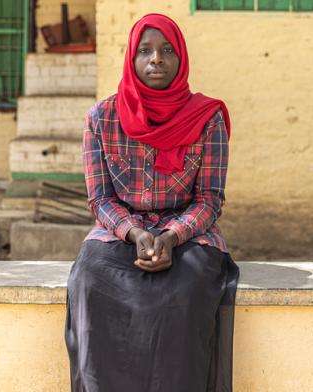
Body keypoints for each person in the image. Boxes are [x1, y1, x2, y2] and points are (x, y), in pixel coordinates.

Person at [65, 13, 239, 392]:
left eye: (166, 51)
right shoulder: (101, 118)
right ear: (131, 58)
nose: (156, 59)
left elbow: (209, 199)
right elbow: (100, 199)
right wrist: (136, 233)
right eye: (145, 50)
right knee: (90, 282)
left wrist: (171, 237)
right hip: (121, 232)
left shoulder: (207, 118)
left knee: (188, 292)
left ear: (181, 60)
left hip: (190, 234)